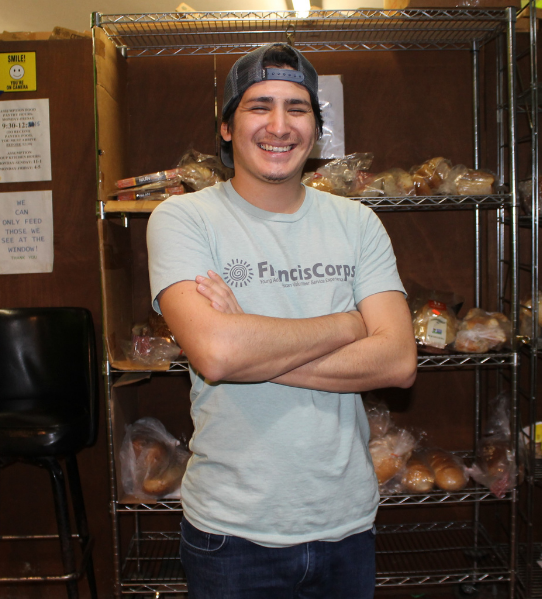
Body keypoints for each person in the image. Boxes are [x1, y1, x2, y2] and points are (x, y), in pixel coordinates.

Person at [147, 42, 417, 599]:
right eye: (258, 106)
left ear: (315, 128)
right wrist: (348, 323)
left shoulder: (358, 222)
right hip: (232, 533)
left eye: (297, 108)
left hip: (346, 525)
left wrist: (252, 339)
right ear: (226, 127)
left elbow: (398, 360)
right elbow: (218, 355)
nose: (279, 125)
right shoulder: (183, 218)